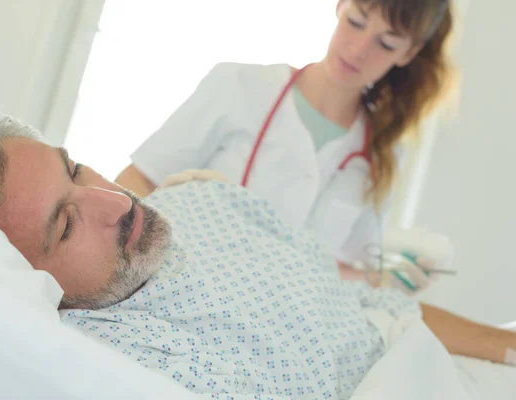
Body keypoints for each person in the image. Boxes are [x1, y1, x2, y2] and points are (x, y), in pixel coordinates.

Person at [0, 110, 514, 399]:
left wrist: (507, 346)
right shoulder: (107, 363)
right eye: (68, 223)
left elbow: (374, 305)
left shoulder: (209, 201)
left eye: (74, 168)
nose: (112, 201)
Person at [115, 0, 459, 293]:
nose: (358, 50)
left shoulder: (382, 157)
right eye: (356, 22)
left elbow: (337, 271)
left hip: (278, 325)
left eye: (386, 43)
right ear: (340, 6)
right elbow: (139, 179)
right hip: (182, 286)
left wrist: (389, 276)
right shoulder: (241, 86)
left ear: (409, 53)